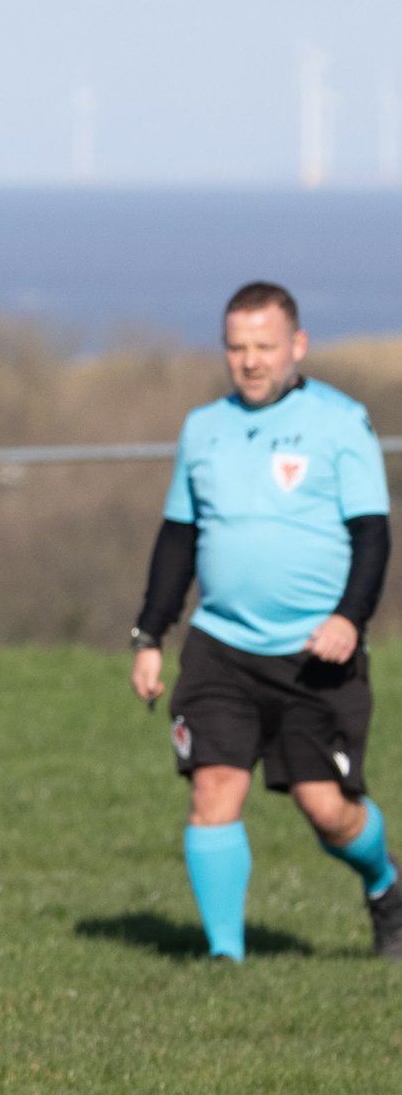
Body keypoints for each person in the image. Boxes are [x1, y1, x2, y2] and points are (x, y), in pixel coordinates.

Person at [130, 281, 400, 961]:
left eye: (264, 346)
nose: (250, 361)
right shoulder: (204, 428)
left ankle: (386, 884)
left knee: (325, 807)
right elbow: (178, 538)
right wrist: (150, 635)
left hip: (318, 653)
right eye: (237, 347)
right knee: (214, 788)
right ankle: (227, 959)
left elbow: (373, 535)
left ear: (296, 346)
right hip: (221, 646)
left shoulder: (342, 420)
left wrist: (348, 618)